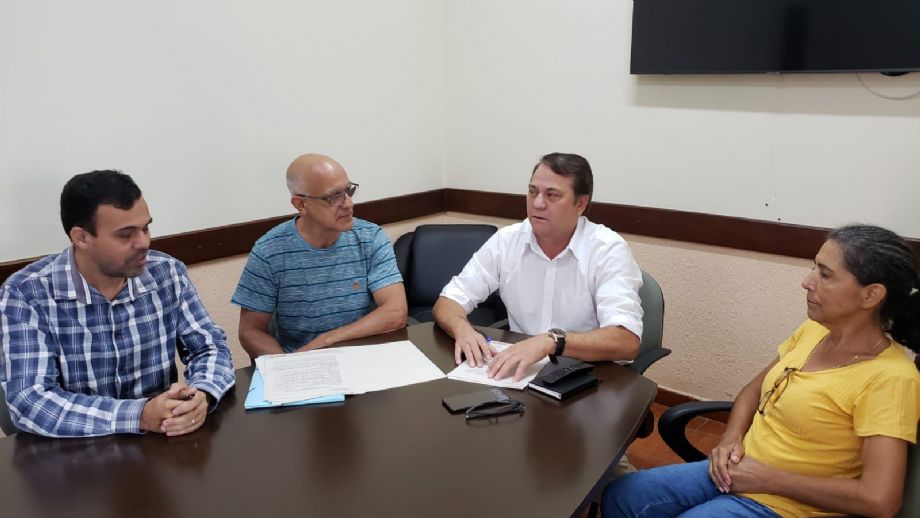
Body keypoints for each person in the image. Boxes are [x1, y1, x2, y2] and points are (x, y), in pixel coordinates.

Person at [603, 224, 920, 518]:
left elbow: (880, 500)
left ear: (871, 295)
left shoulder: (891, 378)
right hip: (741, 470)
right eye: (814, 267)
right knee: (622, 495)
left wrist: (768, 479)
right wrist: (730, 438)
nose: (807, 281)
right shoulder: (815, 331)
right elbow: (753, 391)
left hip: (787, 505)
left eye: (825, 274)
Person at [0, 170, 236, 438]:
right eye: (126, 235)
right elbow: (31, 401)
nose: (144, 243)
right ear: (81, 237)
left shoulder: (167, 273)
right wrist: (139, 415)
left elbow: (209, 347)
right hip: (73, 450)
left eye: (145, 228)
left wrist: (201, 394)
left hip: (160, 442)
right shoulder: (26, 294)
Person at [433, 152, 644, 381]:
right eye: (533, 192)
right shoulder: (507, 241)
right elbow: (447, 302)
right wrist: (463, 330)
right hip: (522, 374)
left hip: (588, 377)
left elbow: (626, 341)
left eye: (552, 195)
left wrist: (552, 341)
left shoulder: (607, 250)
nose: (537, 203)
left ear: (581, 204)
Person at [232, 153, 407, 357]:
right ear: (301, 204)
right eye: (334, 196)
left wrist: (326, 341)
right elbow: (251, 332)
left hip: (363, 356)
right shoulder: (269, 251)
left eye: (348, 191)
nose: (348, 203)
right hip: (301, 360)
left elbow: (395, 312)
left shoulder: (371, 237)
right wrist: (288, 366)